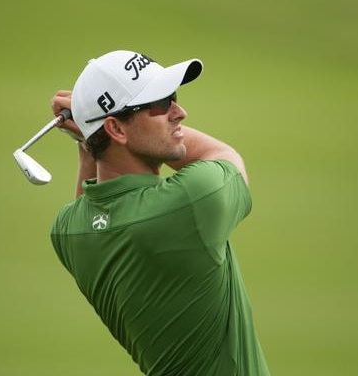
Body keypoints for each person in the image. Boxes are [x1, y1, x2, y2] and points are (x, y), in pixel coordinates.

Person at [49, 50, 271, 376]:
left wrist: (91, 129)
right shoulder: (193, 200)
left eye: (173, 98)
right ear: (117, 129)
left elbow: (90, 197)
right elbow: (222, 154)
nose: (180, 113)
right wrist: (88, 127)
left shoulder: (68, 230)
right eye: (160, 104)